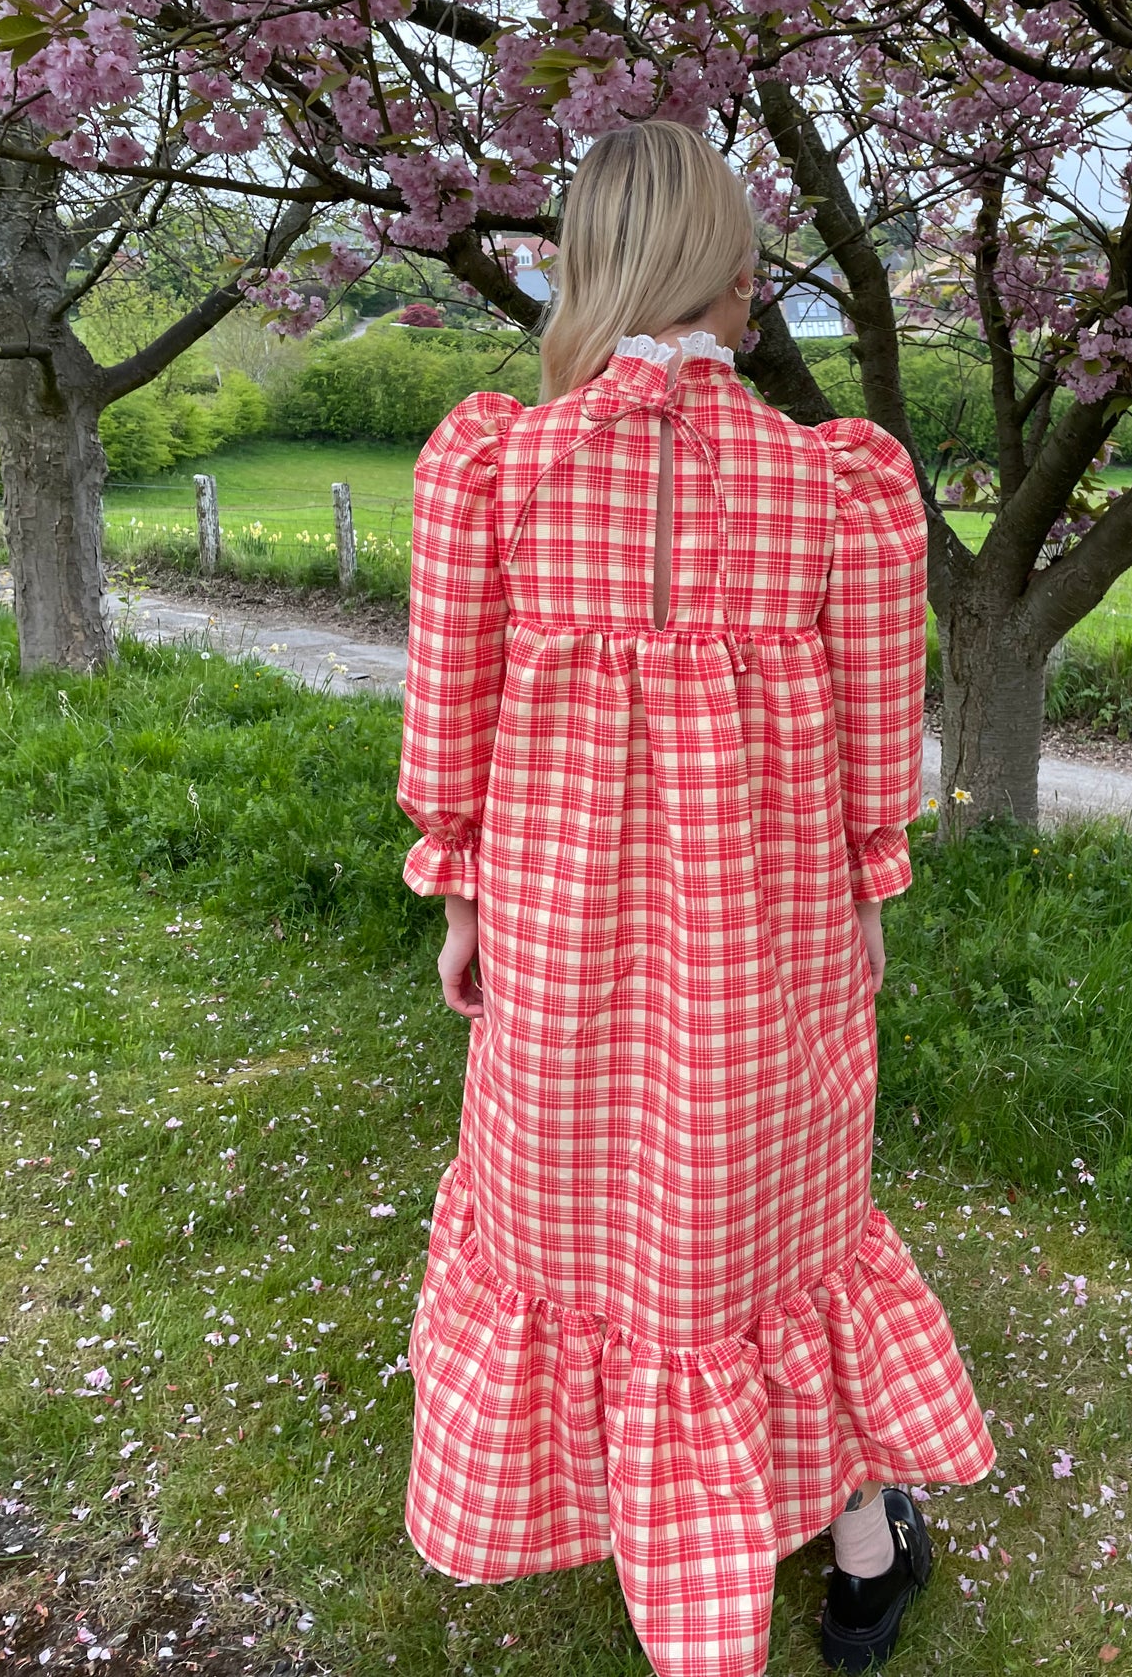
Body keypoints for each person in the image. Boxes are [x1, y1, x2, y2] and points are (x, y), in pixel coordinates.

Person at [396, 119, 995, 1677]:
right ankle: (858, 1554)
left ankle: (641, 1515)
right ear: (732, 273)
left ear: (588, 267)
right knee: (771, 1231)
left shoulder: (495, 465)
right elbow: (882, 726)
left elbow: (444, 710)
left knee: (583, 1218)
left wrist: (458, 889)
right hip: (766, 933)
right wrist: (870, 885)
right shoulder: (834, 485)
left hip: (561, 925)